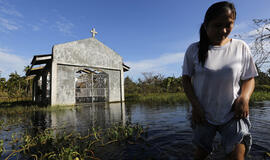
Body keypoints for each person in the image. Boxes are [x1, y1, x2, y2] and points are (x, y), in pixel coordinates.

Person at [182, 1, 258, 160]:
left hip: (233, 113)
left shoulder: (241, 47)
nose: (223, 30)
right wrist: (195, 106)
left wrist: (244, 98)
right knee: (201, 153)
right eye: (217, 25)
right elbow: (186, 80)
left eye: (228, 24)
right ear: (205, 25)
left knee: (237, 155)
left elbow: (249, 77)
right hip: (203, 113)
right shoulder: (193, 50)